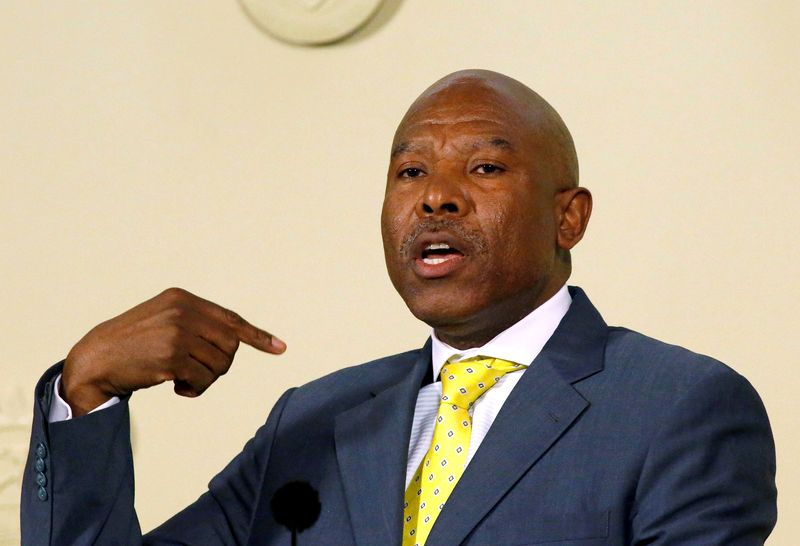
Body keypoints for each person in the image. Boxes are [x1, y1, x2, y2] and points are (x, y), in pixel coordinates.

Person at [21, 70, 777, 545]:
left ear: (568, 218)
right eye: (411, 170)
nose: (436, 196)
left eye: (484, 167)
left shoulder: (679, 407)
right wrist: (85, 393)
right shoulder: (314, 421)